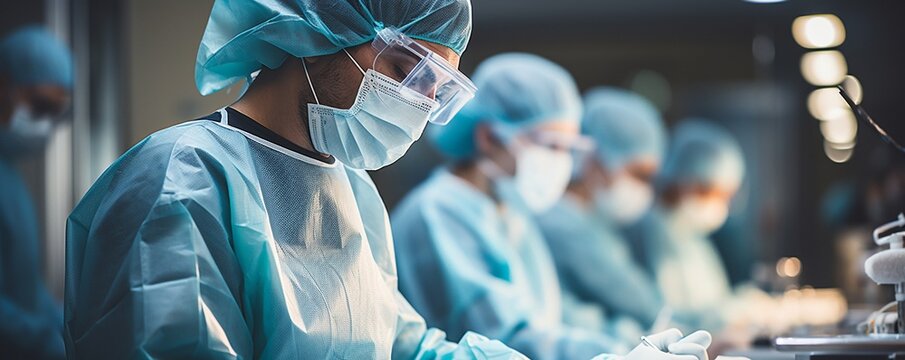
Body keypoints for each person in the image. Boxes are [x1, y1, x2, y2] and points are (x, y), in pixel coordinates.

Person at [64, 1, 529, 358]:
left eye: (437, 90)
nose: (421, 106)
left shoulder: (352, 189)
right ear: (324, 28)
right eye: (407, 72)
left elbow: (400, 343)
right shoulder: (182, 177)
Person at [392, 53, 712, 360]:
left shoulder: (509, 212)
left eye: (569, 149)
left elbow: (555, 321)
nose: (561, 162)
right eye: (550, 146)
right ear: (489, 137)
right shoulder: (440, 213)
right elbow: (508, 338)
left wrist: (631, 344)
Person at [536, 87, 666, 341]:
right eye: (638, 174)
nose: (644, 188)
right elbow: (641, 304)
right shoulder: (561, 222)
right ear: (593, 159)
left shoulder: (594, 220)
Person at [626, 119, 745, 333]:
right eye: (714, 193)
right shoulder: (652, 230)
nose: (721, 205)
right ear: (686, 183)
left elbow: (713, 302)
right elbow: (668, 316)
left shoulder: (690, 234)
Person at [0, 25, 72, 360]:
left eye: (57, 113)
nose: (46, 125)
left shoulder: (10, 176)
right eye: (41, 106)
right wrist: (43, 341)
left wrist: (68, 323)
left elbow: (23, 288)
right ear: (4, 85)